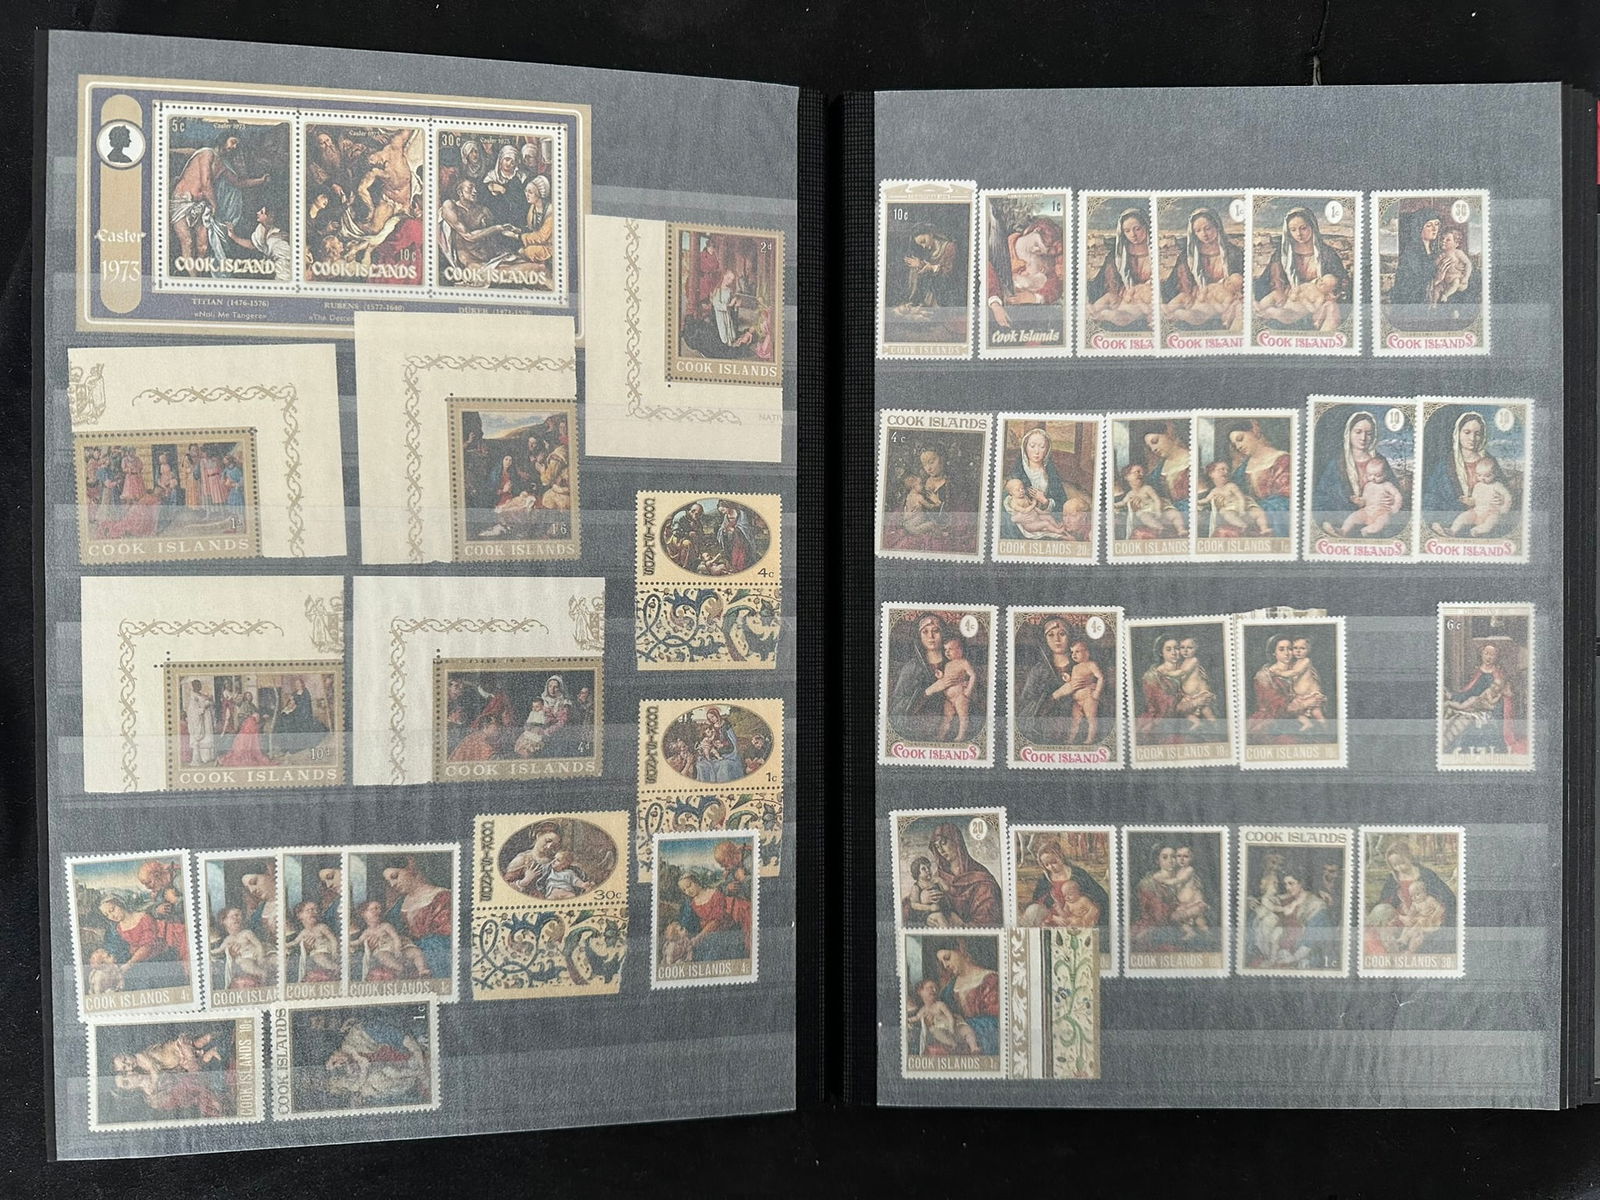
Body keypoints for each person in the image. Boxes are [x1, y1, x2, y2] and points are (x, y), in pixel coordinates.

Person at [168, 131, 270, 276]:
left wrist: (261, 180)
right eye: (233, 142)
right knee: (188, 242)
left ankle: (198, 277)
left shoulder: (222, 165)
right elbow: (206, 182)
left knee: (203, 247)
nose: (234, 146)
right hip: (182, 201)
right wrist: (214, 205)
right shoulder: (207, 154)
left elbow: (238, 182)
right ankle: (193, 280)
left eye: (237, 145)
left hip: (201, 207)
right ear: (223, 139)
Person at [1254, 205, 1350, 329]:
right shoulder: (1282, 254)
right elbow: (1265, 281)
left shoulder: (1327, 254)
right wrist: (1279, 290)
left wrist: (1332, 296)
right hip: (1287, 303)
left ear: (1312, 227)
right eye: (1293, 230)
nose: (1298, 234)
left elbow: (1342, 282)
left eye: (1303, 228)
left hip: (1314, 306)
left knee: (1332, 309)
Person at [1364, 840, 1457, 957]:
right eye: (1395, 865)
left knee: (1419, 933)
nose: (1399, 868)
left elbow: (1447, 897)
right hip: (1402, 915)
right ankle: (1389, 954)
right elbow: (1385, 900)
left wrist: (1434, 914)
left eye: (1402, 863)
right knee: (1377, 932)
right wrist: (1396, 916)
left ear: (1409, 857)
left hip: (1425, 915)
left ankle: (1407, 951)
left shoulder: (1426, 874)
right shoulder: (1393, 878)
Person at [1161, 206, 1245, 330]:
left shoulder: (1233, 252)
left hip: (1217, 304)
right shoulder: (1188, 256)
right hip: (1195, 300)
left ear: (1217, 226)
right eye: (1198, 230)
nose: (1204, 234)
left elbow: (1243, 283)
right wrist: (1190, 292)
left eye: (1208, 228)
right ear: (1193, 233)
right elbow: (1174, 286)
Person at [1441, 640, 1527, 757]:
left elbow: (1505, 696)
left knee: (1463, 715)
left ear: (1496, 657)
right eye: (1486, 653)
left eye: (1492, 654)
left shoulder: (1498, 675)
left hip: (1487, 707)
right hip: (1475, 701)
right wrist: (1456, 696)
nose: (1488, 657)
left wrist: (1493, 704)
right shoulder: (1478, 672)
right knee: (1455, 711)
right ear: (1481, 654)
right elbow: (1470, 691)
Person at [378, 856, 454, 981]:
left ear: (411, 868)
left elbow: (446, 939)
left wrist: (413, 948)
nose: (392, 884)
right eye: (389, 881)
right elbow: (387, 929)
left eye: (395, 876)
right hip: (405, 957)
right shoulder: (399, 904)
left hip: (432, 960)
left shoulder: (442, 897)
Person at [1221, 419, 1293, 540]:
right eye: (1235, 444)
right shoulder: (1242, 468)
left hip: (1273, 520)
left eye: (1240, 439)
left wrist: (1253, 509)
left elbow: (1286, 501)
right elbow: (1234, 492)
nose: (1238, 446)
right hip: (1247, 518)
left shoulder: (1283, 461)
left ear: (1254, 431)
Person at [1017, 837, 1108, 931]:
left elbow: (1099, 897)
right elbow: (1038, 901)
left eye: (1054, 862)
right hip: (1052, 917)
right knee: (1033, 911)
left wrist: (1086, 914)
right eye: (1047, 865)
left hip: (1076, 918)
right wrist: (1053, 917)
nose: (1051, 867)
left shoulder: (1078, 875)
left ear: (1060, 857)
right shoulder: (1045, 880)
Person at [923, 822, 1002, 927]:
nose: (940, 850)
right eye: (937, 846)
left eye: (943, 843)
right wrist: (925, 902)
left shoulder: (982, 879)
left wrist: (960, 924)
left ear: (956, 842)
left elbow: (989, 922)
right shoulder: (940, 875)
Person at [1085, 206, 1153, 329]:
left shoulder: (1156, 253)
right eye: (1127, 231)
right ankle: (1094, 312)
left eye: (1137, 229)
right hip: (1121, 297)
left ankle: (1102, 315)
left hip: (1140, 303)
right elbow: (1104, 282)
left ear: (1146, 227)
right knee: (1107, 299)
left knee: (1120, 316)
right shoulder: (1118, 256)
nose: (1133, 235)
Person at [930, 941, 1001, 1056]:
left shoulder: (990, 980)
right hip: (956, 1039)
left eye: (947, 958)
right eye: (942, 962)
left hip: (981, 1041)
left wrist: (962, 1025)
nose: (945, 965)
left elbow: (997, 1023)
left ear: (961, 949)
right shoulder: (948, 989)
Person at [351, 898, 430, 981]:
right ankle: (400, 970)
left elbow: (395, 937)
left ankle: (422, 970)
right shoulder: (366, 932)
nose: (378, 911)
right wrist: (347, 943)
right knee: (383, 956)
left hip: (400, 948)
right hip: (384, 950)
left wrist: (397, 948)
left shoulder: (385, 926)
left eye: (379, 908)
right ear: (363, 914)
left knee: (416, 952)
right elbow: (358, 941)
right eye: (374, 909)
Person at [1197, 460, 1272, 537]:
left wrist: (1242, 509)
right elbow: (1206, 500)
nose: (1225, 472)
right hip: (1231, 510)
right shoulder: (1214, 491)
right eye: (1222, 469)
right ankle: (1243, 526)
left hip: (1244, 507)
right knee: (1225, 513)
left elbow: (1241, 497)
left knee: (1259, 512)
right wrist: (1197, 502)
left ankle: (1264, 528)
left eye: (1227, 470)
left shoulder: (1231, 486)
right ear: (1211, 474)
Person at [927, 634, 979, 743]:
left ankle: (961, 736)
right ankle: (941, 735)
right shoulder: (948, 665)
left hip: (960, 696)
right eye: (945, 649)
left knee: (962, 717)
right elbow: (947, 680)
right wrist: (940, 676)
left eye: (950, 649)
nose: (947, 652)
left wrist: (968, 691)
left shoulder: (963, 662)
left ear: (960, 650)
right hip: (949, 698)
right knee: (947, 717)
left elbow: (973, 675)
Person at [906, 978, 980, 1055]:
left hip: (953, 1026)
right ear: (920, 992)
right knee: (935, 1032)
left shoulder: (940, 1005)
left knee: (967, 1030)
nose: (934, 990)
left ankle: (974, 1047)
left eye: (935, 988)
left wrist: (951, 1027)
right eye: (930, 988)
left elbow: (950, 1016)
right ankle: (954, 1045)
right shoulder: (923, 1010)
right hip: (940, 1030)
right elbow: (916, 1018)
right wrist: (908, 1020)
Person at [1338, 456, 1404, 537]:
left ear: (1385, 474)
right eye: (1370, 475)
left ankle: (1368, 531)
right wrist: (1359, 501)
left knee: (1383, 520)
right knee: (1353, 516)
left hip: (1381, 512)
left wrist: (1395, 507)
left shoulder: (1387, 485)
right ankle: (1343, 531)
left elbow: (1397, 495)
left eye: (1377, 475)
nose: (1373, 478)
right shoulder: (1367, 486)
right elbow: (1365, 501)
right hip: (1367, 512)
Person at [1116, 462, 1185, 540]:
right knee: (1144, 517)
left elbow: (1157, 499)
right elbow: (1123, 503)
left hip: (1160, 508)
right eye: (1137, 472)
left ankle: (1181, 529)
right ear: (1127, 477)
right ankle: (1160, 529)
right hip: (1146, 511)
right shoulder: (1130, 494)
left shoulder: (1147, 488)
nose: (1140, 474)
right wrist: (1114, 505)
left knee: (1174, 514)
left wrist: (1158, 510)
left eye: (1142, 472)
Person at [895, 228, 959, 313]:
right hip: (934, 292)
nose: (924, 246)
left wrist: (930, 268)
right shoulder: (930, 252)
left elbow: (949, 272)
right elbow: (930, 269)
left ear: (931, 234)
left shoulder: (949, 247)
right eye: (921, 245)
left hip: (947, 292)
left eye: (923, 241)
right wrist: (920, 265)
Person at [1448, 456, 1512, 537]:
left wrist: (1503, 509)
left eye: (1487, 476)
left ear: (1495, 474)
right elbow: (1474, 501)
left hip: (1491, 512)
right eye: (1479, 475)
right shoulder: (1477, 486)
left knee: (1491, 521)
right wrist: (1468, 500)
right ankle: (1452, 530)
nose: (1482, 478)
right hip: (1477, 512)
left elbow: (1508, 497)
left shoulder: (1497, 485)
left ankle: (1478, 530)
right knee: (1463, 516)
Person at [212, 906, 274, 990]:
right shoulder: (228, 939)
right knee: (245, 964)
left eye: (239, 916)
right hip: (245, 960)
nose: (237, 918)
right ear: (224, 921)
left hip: (256, 956)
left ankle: (266, 982)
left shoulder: (246, 933)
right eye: (234, 916)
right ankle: (263, 980)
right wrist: (209, 952)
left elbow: (258, 945)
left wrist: (260, 957)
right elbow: (219, 950)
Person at [1253, 273, 1340, 330]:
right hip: (1286, 304)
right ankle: (1260, 306)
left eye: (1325, 285)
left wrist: (1304, 300)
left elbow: (1313, 310)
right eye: (1321, 280)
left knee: (1275, 311)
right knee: (1275, 294)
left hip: (1293, 314)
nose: (1321, 284)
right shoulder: (1308, 285)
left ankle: (1263, 314)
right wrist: (1294, 293)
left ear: (1330, 290)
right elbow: (1297, 288)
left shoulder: (1320, 297)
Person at [285, 899, 340, 985]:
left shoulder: (321, 927)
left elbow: (333, 939)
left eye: (315, 910)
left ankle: (335, 968)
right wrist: (285, 945)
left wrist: (334, 951)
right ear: (300, 916)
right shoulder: (303, 932)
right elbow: (295, 942)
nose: (312, 912)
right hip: (315, 953)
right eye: (308, 910)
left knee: (319, 957)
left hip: (325, 950)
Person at [902, 856, 956, 927]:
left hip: (941, 909)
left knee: (955, 918)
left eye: (928, 867)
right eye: (923, 869)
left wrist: (940, 881)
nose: (928, 870)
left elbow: (947, 889)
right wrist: (930, 907)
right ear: (917, 872)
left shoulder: (935, 881)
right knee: (940, 917)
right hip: (926, 913)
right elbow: (914, 905)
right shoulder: (916, 887)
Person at [1429, 227, 1473, 306]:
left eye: (1448, 240)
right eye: (1442, 239)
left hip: (1456, 279)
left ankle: (1445, 295)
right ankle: (1434, 304)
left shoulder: (1458, 253)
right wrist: (1438, 260)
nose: (1443, 241)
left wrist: (1466, 277)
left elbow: (1468, 264)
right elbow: (1434, 265)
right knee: (1436, 288)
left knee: (1455, 283)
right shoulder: (1441, 254)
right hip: (1443, 281)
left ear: (1456, 244)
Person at [184, 679, 218, 765]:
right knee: (203, 737)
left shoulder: (202, 695)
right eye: (197, 685)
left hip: (207, 718)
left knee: (208, 734)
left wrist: (210, 702)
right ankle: (204, 757)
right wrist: (204, 706)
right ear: (193, 686)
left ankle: (209, 756)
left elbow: (210, 703)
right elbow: (193, 710)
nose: (199, 686)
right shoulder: (193, 697)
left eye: (200, 685)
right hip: (202, 719)